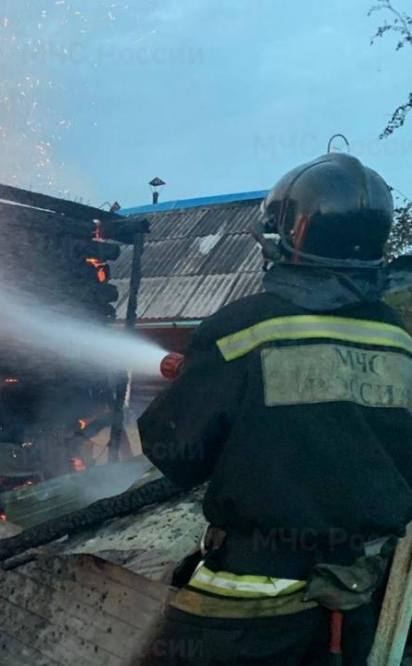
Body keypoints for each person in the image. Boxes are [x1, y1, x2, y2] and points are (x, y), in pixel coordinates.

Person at [139, 152, 412, 665]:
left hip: (246, 608)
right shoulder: (398, 339)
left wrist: (200, 381)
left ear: (287, 234)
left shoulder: (241, 328)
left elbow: (174, 453)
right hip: (357, 601)